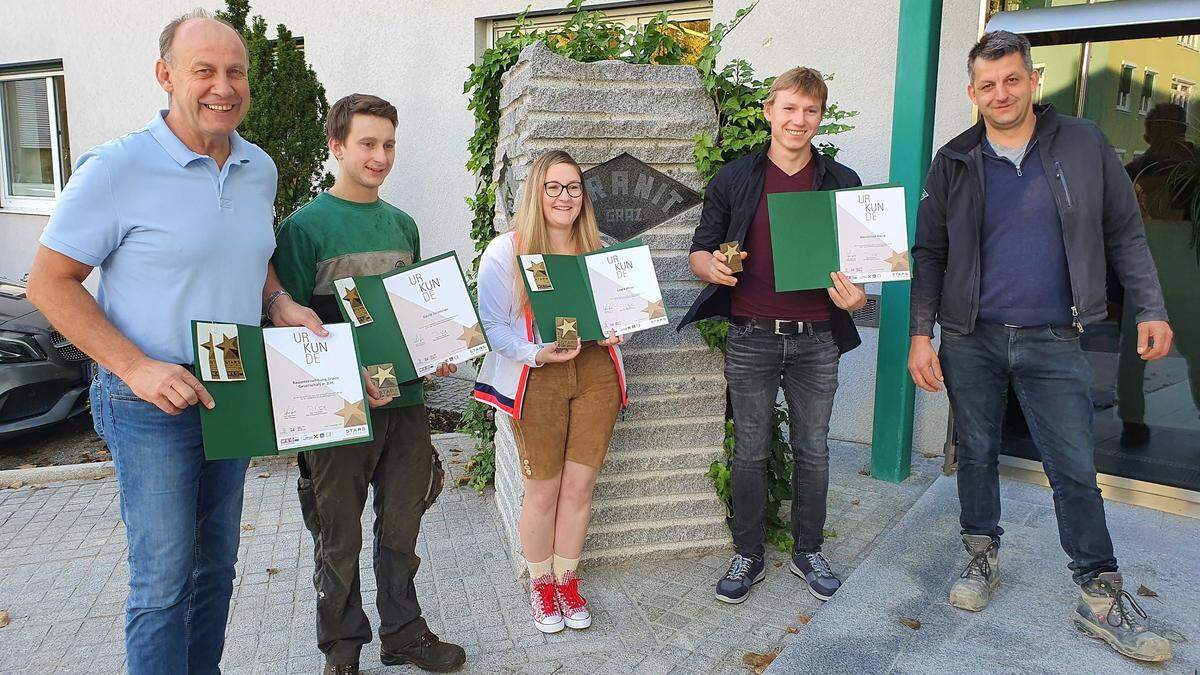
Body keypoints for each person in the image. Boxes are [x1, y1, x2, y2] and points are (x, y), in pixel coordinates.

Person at [24, 10, 323, 673]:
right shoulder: (116, 168)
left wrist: (278, 302)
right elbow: (49, 283)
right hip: (148, 403)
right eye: (204, 71)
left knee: (217, 564)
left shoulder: (259, 167)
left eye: (236, 71)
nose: (224, 86)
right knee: (163, 580)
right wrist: (135, 367)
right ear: (165, 77)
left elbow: (248, 253)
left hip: (235, 383)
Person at [908, 30, 1175, 663]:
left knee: (1074, 467)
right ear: (973, 92)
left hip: (1056, 338)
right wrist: (923, 333)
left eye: (1011, 80)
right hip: (971, 337)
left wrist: (1153, 308)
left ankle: (1100, 597)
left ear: (1032, 80)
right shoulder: (953, 160)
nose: (1000, 94)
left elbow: (1126, 233)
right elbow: (929, 253)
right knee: (975, 451)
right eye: (987, 85)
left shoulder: (1083, 144)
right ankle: (979, 557)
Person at [272, 93, 465, 675]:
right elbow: (289, 328)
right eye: (367, 144)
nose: (380, 156)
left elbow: (412, 317)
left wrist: (437, 353)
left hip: (404, 400)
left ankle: (404, 634)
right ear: (336, 147)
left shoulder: (402, 225)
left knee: (402, 524)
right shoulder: (303, 229)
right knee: (338, 531)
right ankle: (343, 648)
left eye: (388, 145)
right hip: (338, 409)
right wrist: (347, 376)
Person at [677, 66, 867, 605]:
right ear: (769, 111)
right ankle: (749, 553)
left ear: (820, 117)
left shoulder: (841, 181)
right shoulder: (735, 178)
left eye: (810, 111)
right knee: (750, 452)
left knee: (814, 450)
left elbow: (861, 263)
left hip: (817, 338)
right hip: (752, 335)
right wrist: (706, 267)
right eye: (789, 108)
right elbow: (701, 246)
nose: (798, 120)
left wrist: (859, 296)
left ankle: (809, 550)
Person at [473, 150, 627, 634]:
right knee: (544, 488)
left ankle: (567, 579)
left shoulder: (598, 248)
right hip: (537, 376)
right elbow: (492, 327)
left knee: (580, 486)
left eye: (574, 187)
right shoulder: (507, 251)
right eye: (554, 187)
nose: (565, 197)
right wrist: (536, 353)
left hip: (596, 373)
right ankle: (541, 584)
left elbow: (617, 315)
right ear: (536, 193)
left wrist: (618, 328)